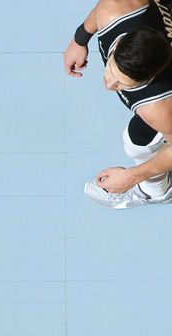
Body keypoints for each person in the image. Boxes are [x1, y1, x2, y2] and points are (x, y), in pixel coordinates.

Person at [65, 0, 172, 207]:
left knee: (137, 143)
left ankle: (157, 192)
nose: (109, 83)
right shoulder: (114, 8)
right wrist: (79, 40)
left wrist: (132, 176)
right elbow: (102, 8)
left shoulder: (159, 107)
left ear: (151, 78)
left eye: (122, 83)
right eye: (112, 69)